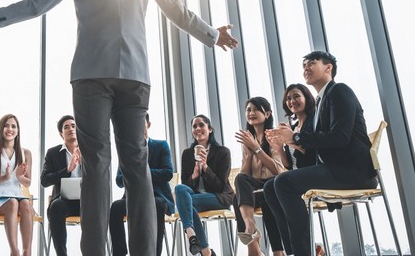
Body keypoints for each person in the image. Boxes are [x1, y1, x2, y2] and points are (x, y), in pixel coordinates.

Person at [0, 0, 239, 256]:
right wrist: (213, 35)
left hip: (91, 75)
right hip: (136, 77)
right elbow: (177, 11)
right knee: (137, 168)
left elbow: (40, 3)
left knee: (96, 166)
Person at [265, 51, 377, 256]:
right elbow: (318, 146)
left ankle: (304, 252)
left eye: (311, 63)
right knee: (270, 186)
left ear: (328, 68)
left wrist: (296, 139)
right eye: (304, 65)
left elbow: (340, 137)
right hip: (335, 169)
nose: (306, 68)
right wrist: (287, 142)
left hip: (354, 171)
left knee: (283, 183)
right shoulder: (321, 102)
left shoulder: (339, 91)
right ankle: (295, 250)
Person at [108, 113, 174, 256]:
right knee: (115, 207)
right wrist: (132, 171)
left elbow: (168, 173)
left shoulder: (161, 145)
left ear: (148, 125)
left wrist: (141, 171)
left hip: (158, 196)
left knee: (156, 204)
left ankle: (154, 253)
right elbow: (119, 181)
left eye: (140, 123)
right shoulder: (126, 150)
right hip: (132, 198)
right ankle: (119, 253)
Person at [173, 115, 234, 256]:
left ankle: (202, 248)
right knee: (179, 189)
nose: (198, 129)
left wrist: (206, 168)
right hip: (196, 197)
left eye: (201, 125)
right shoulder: (188, 154)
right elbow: (185, 187)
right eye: (194, 126)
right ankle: (193, 235)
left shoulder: (222, 152)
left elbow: (220, 186)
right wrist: (194, 175)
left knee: (186, 203)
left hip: (219, 197)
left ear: (210, 129)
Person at [232, 97, 286, 256]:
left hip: (275, 184)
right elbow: (245, 175)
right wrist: (248, 156)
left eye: (256, 109)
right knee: (240, 180)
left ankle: (273, 251)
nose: (251, 113)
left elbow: (278, 170)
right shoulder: (248, 139)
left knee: (266, 194)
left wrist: (257, 149)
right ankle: (251, 228)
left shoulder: (274, 136)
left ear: (267, 114)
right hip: (256, 186)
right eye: (248, 110)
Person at [0, 114, 34, 256]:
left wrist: (19, 177)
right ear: (1, 129)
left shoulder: (26, 153)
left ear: (18, 130)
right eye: (6, 125)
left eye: (13, 126)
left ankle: (27, 252)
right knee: (13, 203)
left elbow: (28, 183)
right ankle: (14, 250)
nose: (10, 129)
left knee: (25, 205)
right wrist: (3, 177)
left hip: (18, 196)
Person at [40, 115, 82, 256]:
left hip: (86, 201)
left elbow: (101, 177)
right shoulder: (53, 153)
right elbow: (44, 180)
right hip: (64, 202)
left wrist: (86, 165)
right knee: (56, 207)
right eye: (66, 127)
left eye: (73, 126)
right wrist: (67, 170)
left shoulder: (88, 151)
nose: (70, 128)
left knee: (97, 208)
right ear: (61, 134)